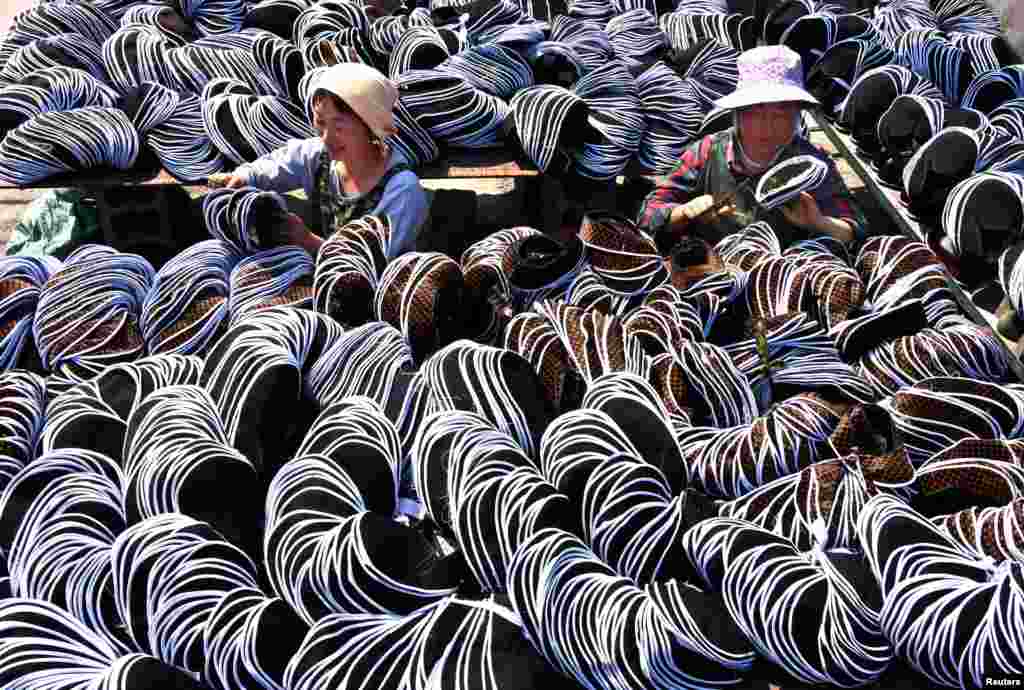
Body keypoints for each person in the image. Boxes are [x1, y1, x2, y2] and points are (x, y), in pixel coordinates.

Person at [637, 45, 866, 251]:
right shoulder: (707, 151)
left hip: (782, 278)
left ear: (798, 115)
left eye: (782, 113)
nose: (768, 126)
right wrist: (683, 213)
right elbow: (649, 212)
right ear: (737, 113)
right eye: (756, 113)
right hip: (713, 273)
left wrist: (819, 222)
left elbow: (855, 229)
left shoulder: (812, 163)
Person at [214, 62, 429, 259]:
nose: (327, 137)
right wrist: (244, 177)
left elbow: (369, 261)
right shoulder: (319, 157)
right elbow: (278, 164)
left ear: (370, 127)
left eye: (340, 127)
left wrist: (308, 241)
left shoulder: (402, 190)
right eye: (320, 122)